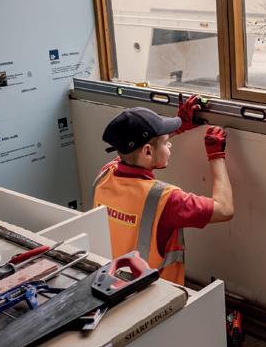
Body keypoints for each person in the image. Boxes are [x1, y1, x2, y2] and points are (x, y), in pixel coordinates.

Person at [93, 96, 234, 285]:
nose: (170, 144)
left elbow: (132, 154)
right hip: (155, 294)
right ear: (147, 151)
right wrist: (216, 155)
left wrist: (180, 126)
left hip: (108, 284)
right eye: (166, 142)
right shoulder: (164, 200)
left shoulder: (105, 174)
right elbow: (225, 209)